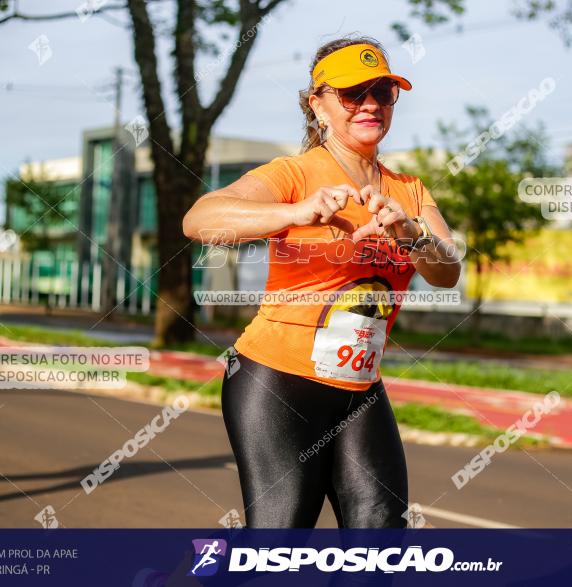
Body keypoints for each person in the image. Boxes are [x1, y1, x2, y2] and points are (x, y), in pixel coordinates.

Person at [182, 37, 461, 528]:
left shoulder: (408, 191)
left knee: (380, 541)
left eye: (383, 91)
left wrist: (411, 232)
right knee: (277, 539)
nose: (371, 104)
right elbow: (200, 219)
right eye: (354, 94)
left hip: (360, 389)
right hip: (276, 380)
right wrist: (296, 211)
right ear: (319, 105)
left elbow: (447, 271)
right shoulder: (295, 173)